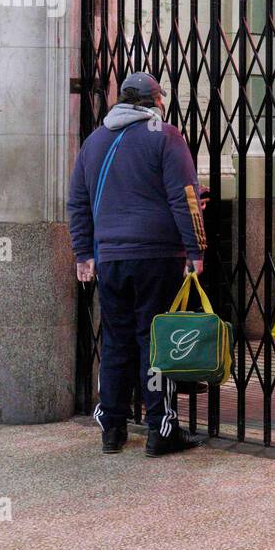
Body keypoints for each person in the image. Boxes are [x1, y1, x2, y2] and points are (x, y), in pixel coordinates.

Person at [67, 72, 207, 456]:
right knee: (155, 341)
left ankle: (111, 427)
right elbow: (186, 198)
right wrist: (195, 250)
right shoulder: (165, 136)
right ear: (154, 101)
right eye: (161, 99)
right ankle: (161, 429)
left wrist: (84, 254)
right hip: (156, 255)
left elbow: (77, 203)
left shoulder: (94, 141)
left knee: (114, 340)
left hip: (110, 258)